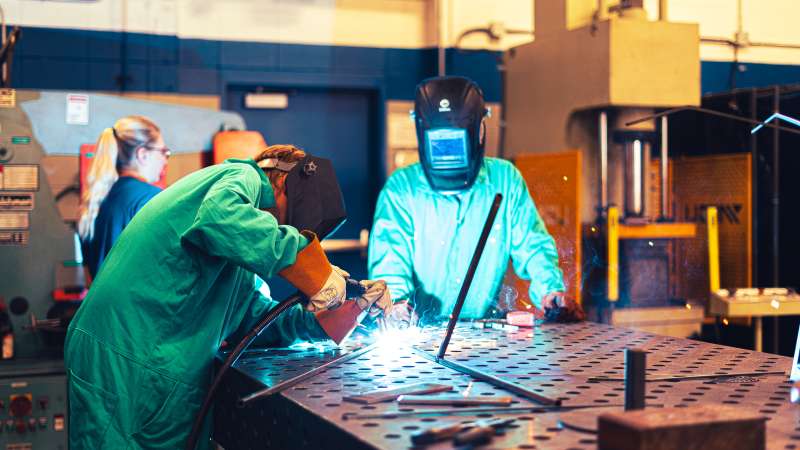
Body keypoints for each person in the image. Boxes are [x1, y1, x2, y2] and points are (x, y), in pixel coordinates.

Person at [65, 145, 393, 449]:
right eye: (287, 225)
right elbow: (220, 217)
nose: (283, 232)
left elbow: (259, 320)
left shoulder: (235, 261)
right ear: (280, 184)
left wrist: (345, 311)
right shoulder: (239, 178)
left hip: (157, 369)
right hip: (121, 355)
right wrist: (308, 264)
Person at [368, 76, 584, 323]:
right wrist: (397, 305)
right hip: (418, 331)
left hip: (483, 332)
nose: (447, 157)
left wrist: (550, 291)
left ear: (479, 131)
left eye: (455, 143)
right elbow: (390, 260)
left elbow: (533, 245)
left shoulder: (504, 179)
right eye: (440, 145)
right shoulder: (402, 188)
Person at [78, 115, 170, 278]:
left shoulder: (95, 200)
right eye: (163, 151)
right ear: (143, 154)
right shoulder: (152, 199)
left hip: (103, 303)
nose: (165, 160)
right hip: (136, 303)